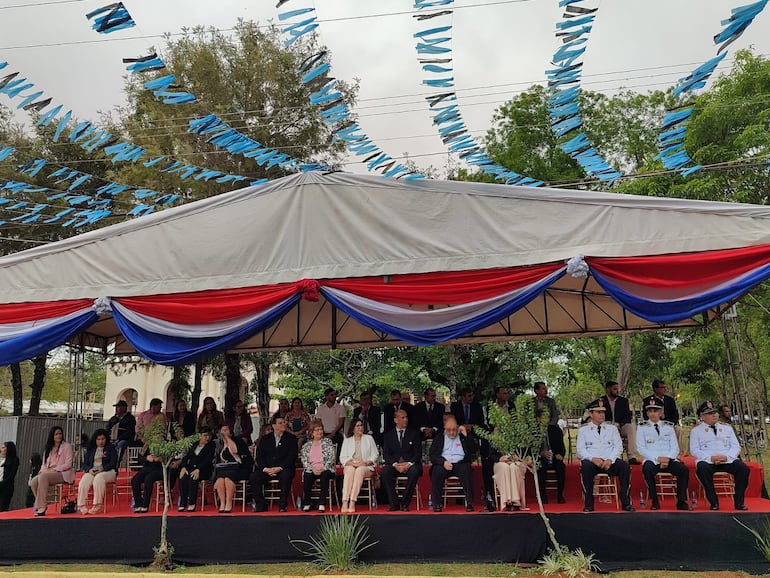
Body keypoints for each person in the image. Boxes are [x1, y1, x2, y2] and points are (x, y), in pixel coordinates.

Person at [689, 400, 750, 511]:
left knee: (743, 468)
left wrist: (727, 457)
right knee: (702, 469)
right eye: (709, 413)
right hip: (708, 461)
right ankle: (714, 502)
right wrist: (710, 458)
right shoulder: (696, 431)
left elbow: (736, 447)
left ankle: (739, 502)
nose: (714, 415)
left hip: (727, 459)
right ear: (702, 416)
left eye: (715, 412)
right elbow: (694, 450)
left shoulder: (727, 428)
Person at [576, 399, 634, 512]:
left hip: (609, 460)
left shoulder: (612, 428)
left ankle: (626, 502)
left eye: (603, 412)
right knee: (586, 467)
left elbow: (618, 447)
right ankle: (589, 504)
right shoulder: (584, 430)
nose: (602, 415)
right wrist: (592, 458)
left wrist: (610, 460)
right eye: (598, 412)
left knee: (624, 467)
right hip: (592, 461)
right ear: (591, 414)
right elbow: (580, 450)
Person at [636, 396, 690, 511]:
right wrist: (658, 459)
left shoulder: (668, 427)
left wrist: (668, 459)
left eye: (655, 411)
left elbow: (675, 447)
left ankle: (681, 501)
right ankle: (654, 501)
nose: (653, 414)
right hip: (652, 459)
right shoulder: (641, 428)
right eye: (650, 411)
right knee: (647, 469)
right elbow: (641, 448)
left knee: (683, 470)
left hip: (669, 459)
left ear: (661, 412)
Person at [250, 417, 297, 513]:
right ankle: (261, 505)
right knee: (254, 477)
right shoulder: (265, 439)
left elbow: (292, 457)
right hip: (268, 469)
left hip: (283, 468)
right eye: (280, 423)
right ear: (274, 426)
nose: (283, 424)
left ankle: (282, 505)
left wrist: (279, 468)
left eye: (284, 422)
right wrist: (265, 469)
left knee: (286, 476)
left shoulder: (291, 438)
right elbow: (259, 457)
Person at [429, 417, 477, 512]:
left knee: (467, 469)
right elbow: (433, 455)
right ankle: (437, 504)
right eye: (449, 430)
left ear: (458, 427)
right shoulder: (439, 437)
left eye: (454, 430)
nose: (452, 432)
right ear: (444, 428)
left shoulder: (463, 436)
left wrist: (466, 435)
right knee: (436, 471)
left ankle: (469, 503)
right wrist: (443, 462)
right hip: (444, 463)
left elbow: (474, 450)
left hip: (461, 463)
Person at [380, 408, 423, 512]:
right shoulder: (388, 435)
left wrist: (408, 464)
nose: (405, 420)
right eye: (403, 418)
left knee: (414, 472)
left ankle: (404, 503)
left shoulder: (414, 434)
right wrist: (395, 465)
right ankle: (394, 503)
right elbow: (386, 454)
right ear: (395, 420)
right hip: (395, 465)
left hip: (410, 464)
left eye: (406, 417)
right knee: (385, 472)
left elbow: (418, 453)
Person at [30, 426, 74, 516]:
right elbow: (44, 464)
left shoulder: (67, 446)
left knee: (43, 477)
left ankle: (41, 506)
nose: (59, 436)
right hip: (48, 473)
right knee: (34, 481)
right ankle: (40, 503)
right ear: (52, 436)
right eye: (56, 434)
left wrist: (52, 470)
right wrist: (42, 470)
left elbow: (68, 464)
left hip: (62, 473)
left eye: (60, 434)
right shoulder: (48, 448)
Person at [339, 418, 379, 513]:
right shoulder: (347, 441)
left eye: (361, 425)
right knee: (349, 470)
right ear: (353, 428)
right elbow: (342, 457)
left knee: (360, 470)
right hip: (352, 465)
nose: (360, 428)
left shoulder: (369, 438)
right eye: (357, 426)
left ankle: (352, 501)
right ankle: (345, 501)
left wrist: (365, 462)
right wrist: (352, 463)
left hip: (366, 466)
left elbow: (375, 454)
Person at [76, 428, 118, 515]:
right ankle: (81, 505)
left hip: (108, 471)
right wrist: (89, 470)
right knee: (84, 480)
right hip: (93, 471)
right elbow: (84, 464)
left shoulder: (111, 448)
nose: (101, 441)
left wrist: (103, 468)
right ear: (95, 440)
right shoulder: (91, 449)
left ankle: (97, 505)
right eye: (98, 439)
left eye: (103, 439)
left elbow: (113, 463)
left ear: (106, 439)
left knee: (99, 478)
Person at [213, 424, 252, 513]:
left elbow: (235, 451)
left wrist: (228, 439)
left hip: (238, 468)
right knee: (220, 480)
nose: (224, 432)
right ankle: (222, 503)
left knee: (227, 478)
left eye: (226, 430)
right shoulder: (220, 444)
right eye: (222, 430)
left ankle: (229, 502)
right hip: (224, 468)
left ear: (231, 432)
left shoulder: (238, 441)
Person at [300, 422, 336, 512]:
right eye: (317, 430)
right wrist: (312, 468)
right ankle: (307, 502)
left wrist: (323, 467)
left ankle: (321, 503)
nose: (319, 431)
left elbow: (332, 457)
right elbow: (304, 460)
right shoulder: (306, 445)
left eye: (321, 429)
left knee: (325, 476)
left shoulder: (327, 442)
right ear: (312, 432)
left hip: (326, 468)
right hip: (312, 468)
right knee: (307, 475)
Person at [177, 427, 215, 512]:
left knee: (192, 477)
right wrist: (183, 467)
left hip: (204, 469)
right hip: (190, 468)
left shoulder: (211, 445)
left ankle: (192, 503)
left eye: (209, 436)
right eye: (205, 435)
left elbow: (208, 460)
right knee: (183, 477)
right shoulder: (194, 444)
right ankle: (183, 503)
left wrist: (198, 469)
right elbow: (186, 457)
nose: (207, 438)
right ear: (199, 436)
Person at [601, 381, 639, 464]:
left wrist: (620, 423)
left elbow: (627, 416)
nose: (617, 391)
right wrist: (610, 424)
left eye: (617, 389)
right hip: (606, 427)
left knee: (630, 427)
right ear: (608, 389)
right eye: (614, 389)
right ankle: (606, 455)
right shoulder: (601, 401)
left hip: (620, 426)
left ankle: (631, 456)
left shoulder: (623, 401)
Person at [491, 445, 528, 511]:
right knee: (504, 467)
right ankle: (507, 501)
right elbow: (491, 455)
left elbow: (527, 453)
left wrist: (519, 457)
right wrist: (499, 459)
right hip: (500, 462)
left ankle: (516, 501)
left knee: (514, 467)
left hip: (518, 462)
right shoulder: (495, 436)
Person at [538, 422, 567, 504]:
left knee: (561, 467)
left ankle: (560, 495)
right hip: (541, 458)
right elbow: (530, 448)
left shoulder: (556, 430)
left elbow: (561, 446)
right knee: (540, 467)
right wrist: (541, 453)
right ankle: (543, 495)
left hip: (554, 457)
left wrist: (560, 454)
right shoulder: (533, 431)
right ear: (538, 418)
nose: (546, 420)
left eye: (547, 417)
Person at [131, 444, 163, 513]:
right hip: (147, 467)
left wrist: (160, 459)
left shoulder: (164, 443)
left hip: (159, 469)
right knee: (135, 479)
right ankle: (138, 504)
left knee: (148, 479)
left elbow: (171, 458)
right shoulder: (147, 445)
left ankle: (145, 505)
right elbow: (138, 459)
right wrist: (146, 458)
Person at [316, 388, 345, 456]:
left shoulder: (340, 408)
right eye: (332, 395)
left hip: (336, 432)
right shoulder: (320, 408)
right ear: (326, 396)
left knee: (340, 439)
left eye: (335, 395)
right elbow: (318, 422)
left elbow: (341, 422)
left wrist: (333, 433)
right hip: (323, 433)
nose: (334, 396)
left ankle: (338, 461)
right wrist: (322, 434)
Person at [651, 379, 681, 445]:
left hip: (669, 423)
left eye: (665, 387)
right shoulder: (648, 400)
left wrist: (672, 423)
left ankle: (675, 452)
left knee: (678, 429)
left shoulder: (670, 400)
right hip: (655, 424)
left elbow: (675, 414)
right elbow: (646, 415)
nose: (665, 389)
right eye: (662, 387)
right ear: (656, 389)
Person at [106, 399, 136, 464]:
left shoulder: (130, 418)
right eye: (116, 407)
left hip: (125, 439)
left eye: (119, 407)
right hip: (112, 439)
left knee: (120, 444)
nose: (117, 408)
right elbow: (107, 429)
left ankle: (116, 463)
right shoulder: (113, 418)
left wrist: (119, 439)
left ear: (124, 408)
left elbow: (129, 432)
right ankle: (105, 462)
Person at [0, 441, 20, 512]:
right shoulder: (1, 459)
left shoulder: (14, 460)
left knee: (3, 508)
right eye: (2, 447)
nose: (2, 449)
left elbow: (11, 476)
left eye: (4, 447)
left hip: (6, 487)